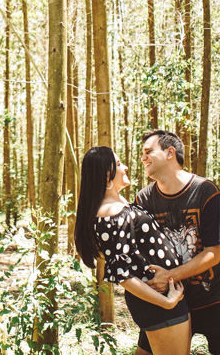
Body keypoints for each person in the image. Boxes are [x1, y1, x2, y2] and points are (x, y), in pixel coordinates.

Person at [135, 130, 220, 355]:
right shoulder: (143, 199)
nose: (143, 158)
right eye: (142, 154)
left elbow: (212, 254)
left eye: (149, 151)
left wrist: (169, 275)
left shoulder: (206, 191)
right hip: (171, 297)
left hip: (215, 293)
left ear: (170, 153)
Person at [75, 146, 191, 355]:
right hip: (159, 301)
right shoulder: (110, 214)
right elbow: (123, 275)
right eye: (119, 164)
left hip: (157, 298)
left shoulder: (117, 206)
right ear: (106, 175)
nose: (126, 167)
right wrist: (166, 302)